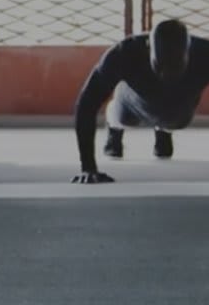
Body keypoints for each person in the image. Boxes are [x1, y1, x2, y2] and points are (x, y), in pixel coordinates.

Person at [72, 18, 209, 184]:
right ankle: (114, 128)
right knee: (123, 118)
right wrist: (88, 167)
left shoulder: (205, 53)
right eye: (160, 67)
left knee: (176, 121)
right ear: (148, 48)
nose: (166, 76)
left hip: (179, 104)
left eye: (174, 67)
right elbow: (87, 103)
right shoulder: (124, 52)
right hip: (133, 100)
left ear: (189, 51)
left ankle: (163, 130)